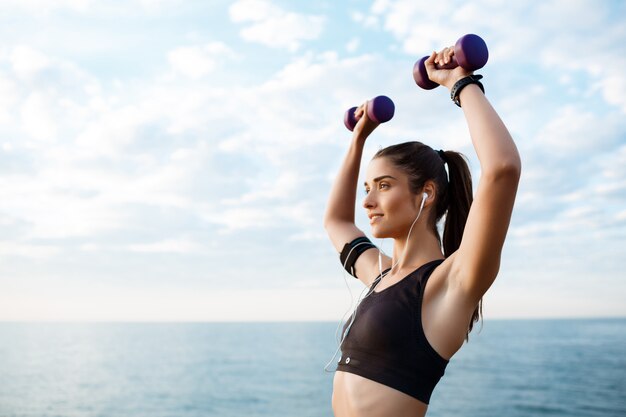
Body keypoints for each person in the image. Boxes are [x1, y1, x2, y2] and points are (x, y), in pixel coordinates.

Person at [323, 46, 521, 417]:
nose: (367, 202)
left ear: (425, 194)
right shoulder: (380, 276)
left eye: (383, 186)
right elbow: (336, 222)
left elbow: (502, 168)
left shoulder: (450, 283)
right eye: (367, 188)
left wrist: (460, 82)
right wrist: (358, 139)